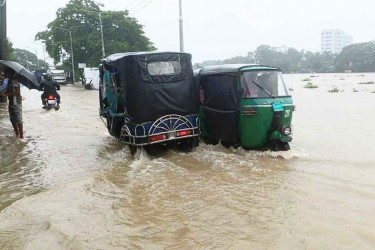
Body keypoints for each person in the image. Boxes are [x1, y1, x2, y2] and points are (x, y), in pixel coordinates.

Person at [1, 68, 24, 139]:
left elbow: (17, 91)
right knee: (12, 119)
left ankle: (21, 136)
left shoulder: (15, 80)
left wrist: (6, 95)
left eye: (5, 73)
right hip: (11, 102)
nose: (4, 74)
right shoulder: (9, 81)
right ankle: (17, 134)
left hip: (16, 103)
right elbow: (8, 90)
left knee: (18, 119)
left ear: (9, 73)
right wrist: (4, 91)